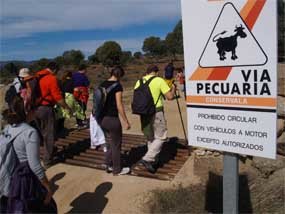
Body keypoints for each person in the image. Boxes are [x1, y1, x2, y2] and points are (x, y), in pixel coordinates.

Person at [0, 96, 56, 213]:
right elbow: (34, 165)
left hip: (8, 176)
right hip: (23, 180)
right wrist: (48, 187)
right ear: (27, 112)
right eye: (34, 109)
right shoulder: (30, 132)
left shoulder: (7, 128)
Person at [134, 65, 176, 173]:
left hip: (143, 112)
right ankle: (147, 159)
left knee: (150, 137)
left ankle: (152, 162)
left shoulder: (139, 81)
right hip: (156, 111)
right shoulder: (159, 80)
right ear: (156, 72)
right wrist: (173, 88)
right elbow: (170, 97)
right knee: (161, 137)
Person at [34, 61, 71, 168]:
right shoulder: (51, 78)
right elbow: (57, 97)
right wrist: (66, 107)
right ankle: (47, 161)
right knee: (49, 135)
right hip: (46, 109)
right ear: (54, 70)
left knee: (41, 133)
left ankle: (44, 152)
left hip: (34, 109)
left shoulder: (37, 76)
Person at [100, 66, 131, 175]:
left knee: (111, 142)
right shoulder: (117, 86)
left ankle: (107, 163)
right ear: (120, 76)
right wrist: (126, 121)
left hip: (102, 119)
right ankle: (117, 169)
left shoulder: (102, 84)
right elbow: (119, 105)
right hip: (112, 119)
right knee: (116, 144)